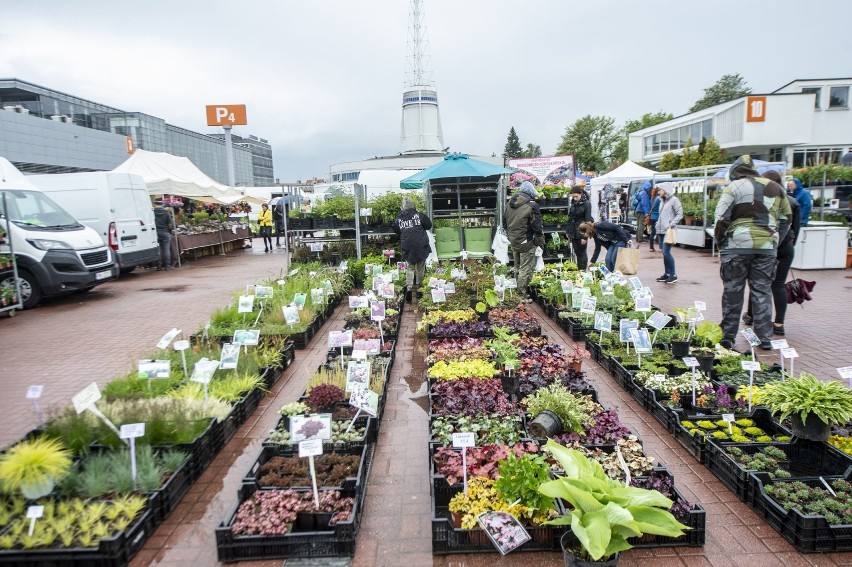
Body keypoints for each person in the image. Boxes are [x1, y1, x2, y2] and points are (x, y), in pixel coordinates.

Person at [713, 155, 787, 350]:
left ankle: (728, 336)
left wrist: (721, 241)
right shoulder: (776, 187)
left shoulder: (733, 187)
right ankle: (764, 338)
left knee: (733, 291)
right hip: (766, 247)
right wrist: (775, 242)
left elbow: (721, 217)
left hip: (736, 245)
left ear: (735, 171)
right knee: (762, 292)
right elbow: (786, 218)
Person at [743, 171, 799, 336]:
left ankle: (752, 316)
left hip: (764, 247)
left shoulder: (761, 200)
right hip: (785, 248)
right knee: (778, 284)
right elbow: (796, 229)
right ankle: (779, 323)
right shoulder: (792, 202)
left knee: (757, 282)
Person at [503, 181, 544, 302]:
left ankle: (516, 292)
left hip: (514, 240)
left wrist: (512, 236)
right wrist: (540, 241)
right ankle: (521, 294)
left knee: (517, 267)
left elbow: (505, 223)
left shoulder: (509, 204)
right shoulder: (531, 205)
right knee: (526, 268)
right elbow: (537, 226)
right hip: (527, 241)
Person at [393, 197, 432, 301]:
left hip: (408, 245)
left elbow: (395, 229)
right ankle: (419, 290)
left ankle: (409, 288)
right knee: (420, 267)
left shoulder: (400, 218)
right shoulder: (419, 215)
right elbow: (429, 225)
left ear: (403, 207)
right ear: (414, 206)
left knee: (409, 267)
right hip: (421, 244)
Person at [654, 186, 683, 283]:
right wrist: (658, 225)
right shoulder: (661, 201)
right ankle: (667, 273)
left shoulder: (674, 200)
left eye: (661, 190)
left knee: (666, 252)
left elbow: (680, 213)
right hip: (661, 230)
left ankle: (673, 274)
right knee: (664, 253)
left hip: (669, 230)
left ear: (666, 191)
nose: (659, 192)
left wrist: (671, 224)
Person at [565, 185, 592, 270]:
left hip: (582, 231)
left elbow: (588, 221)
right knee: (577, 252)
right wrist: (568, 231)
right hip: (573, 231)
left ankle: (583, 271)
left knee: (582, 253)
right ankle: (579, 270)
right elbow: (570, 218)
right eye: (573, 197)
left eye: (576, 196)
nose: (575, 198)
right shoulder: (573, 202)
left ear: (581, 194)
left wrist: (585, 236)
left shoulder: (587, 204)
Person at [153, 198, 174, 271]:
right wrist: (169, 230)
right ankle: (167, 266)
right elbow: (170, 225)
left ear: (155, 204)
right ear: (162, 204)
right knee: (166, 249)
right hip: (165, 232)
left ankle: (158, 266)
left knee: (157, 250)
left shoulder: (152, 212)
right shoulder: (166, 213)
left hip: (155, 233)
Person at [648, 187, 662, 252]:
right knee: (660, 232)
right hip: (658, 217)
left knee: (653, 232)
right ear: (658, 192)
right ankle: (661, 247)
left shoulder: (652, 198)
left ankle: (651, 247)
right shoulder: (659, 199)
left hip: (652, 217)